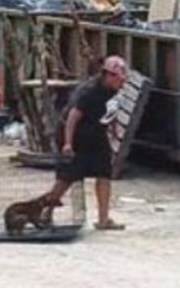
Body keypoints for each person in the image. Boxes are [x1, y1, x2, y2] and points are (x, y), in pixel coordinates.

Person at [42, 56, 129, 230]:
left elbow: (109, 113)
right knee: (68, 176)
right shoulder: (88, 91)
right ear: (109, 76)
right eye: (120, 80)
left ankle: (103, 220)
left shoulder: (114, 91)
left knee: (104, 173)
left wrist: (112, 133)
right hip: (74, 134)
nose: (122, 84)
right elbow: (72, 118)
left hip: (95, 132)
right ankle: (45, 212)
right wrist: (68, 143)